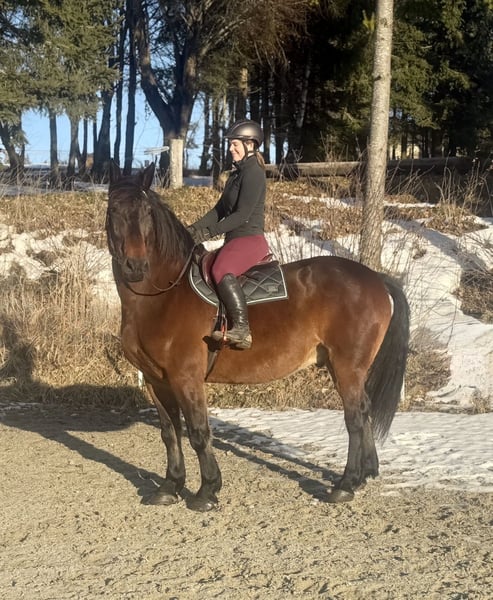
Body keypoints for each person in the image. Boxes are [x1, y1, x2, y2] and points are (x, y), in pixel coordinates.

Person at [187, 119, 269, 349]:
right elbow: (219, 211)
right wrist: (192, 230)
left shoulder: (254, 173)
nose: (231, 149)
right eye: (230, 144)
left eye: (235, 144)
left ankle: (242, 329)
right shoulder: (236, 175)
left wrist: (208, 233)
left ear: (250, 145)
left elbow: (242, 215)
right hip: (234, 240)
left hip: (250, 239)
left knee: (220, 269)